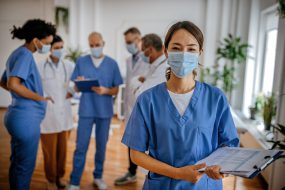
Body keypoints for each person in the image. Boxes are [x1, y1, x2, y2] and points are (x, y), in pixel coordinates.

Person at [122, 21, 239, 190]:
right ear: (166, 51)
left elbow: (229, 146)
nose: (184, 54)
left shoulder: (216, 98)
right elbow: (136, 154)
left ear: (200, 52)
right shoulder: (148, 100)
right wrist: (177, 173)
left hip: (204, 185)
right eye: (176, 48)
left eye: (191, 49)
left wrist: (223, 168)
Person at [0, 19, 56, 190]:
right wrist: (40, 98)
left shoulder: (17, 53)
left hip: (16, 115)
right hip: (25, 120)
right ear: (36, 41)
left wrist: (21, 97)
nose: (48, 47)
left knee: (17, 162)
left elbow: (4, 81)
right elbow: (13, 84)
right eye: (47, 43)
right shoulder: (25, 55)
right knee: (25, 166)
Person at [68, 32, 123, 190]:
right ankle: (74, 181)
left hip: (104, 111)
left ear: (103, 43)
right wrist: (79, 84)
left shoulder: (112, 64)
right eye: (91, 45)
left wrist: (106, 90)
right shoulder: (82, 61)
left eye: (97, 44)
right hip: (86, 110)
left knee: (101, 147)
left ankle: (98, 177)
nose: (94, 48)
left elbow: (115, 90)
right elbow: (76, 87)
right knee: (81, 146)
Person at [37, 35, 75, 190]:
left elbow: (77, 82)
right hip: (48, 115)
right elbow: (36, 88)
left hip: (65, 114)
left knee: (63, 151)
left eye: (61, 47)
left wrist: (72, 90)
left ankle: (60, 177)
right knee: (49, 151)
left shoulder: (69, 65)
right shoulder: (40, 66)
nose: (60, 50)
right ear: (50, 49)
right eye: (56, 48)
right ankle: (51, 179)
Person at [114, 27, 149, 186]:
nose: (128, 45)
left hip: (144, 106)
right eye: (126, 42)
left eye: (130, 42)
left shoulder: (148, 59)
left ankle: (151, 173)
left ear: (138, 39)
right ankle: (131, 172)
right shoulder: (129, 60)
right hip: (130, 106)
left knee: (146, 143)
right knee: (131, 141)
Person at [130, 33, 168, 98]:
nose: (141, 54)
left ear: (150, 50)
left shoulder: (164, 69)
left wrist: (134, 82)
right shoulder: (154, 65)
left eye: (142, 50)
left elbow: (141, 95)